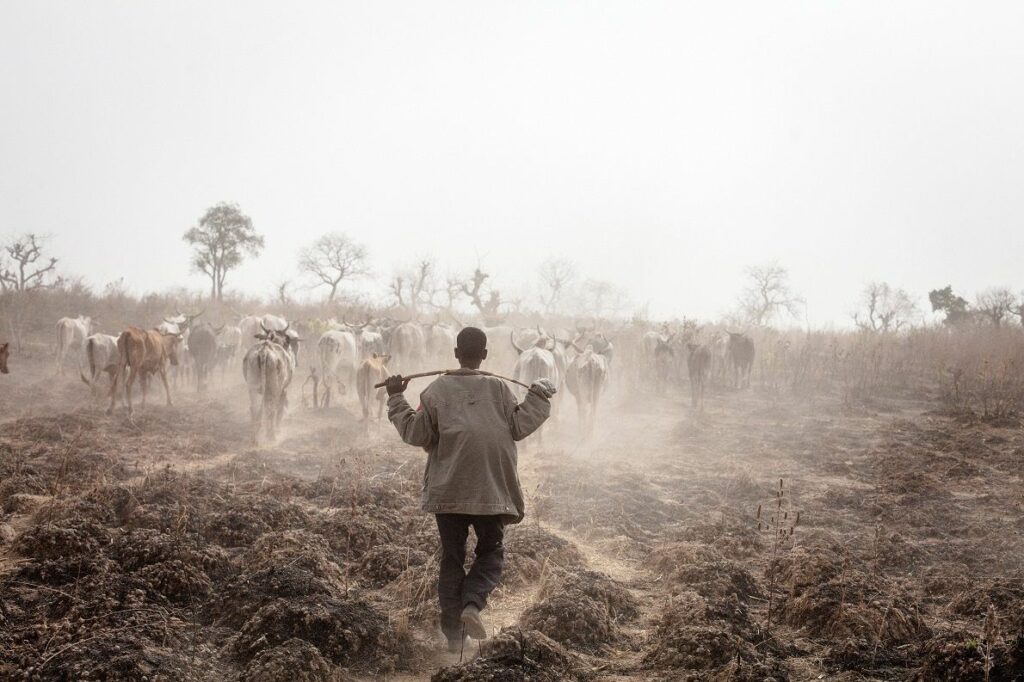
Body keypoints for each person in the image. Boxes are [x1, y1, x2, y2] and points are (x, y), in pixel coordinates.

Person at [385, 326, 556, 652]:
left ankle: (453, 638)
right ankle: (472, 605)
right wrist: (539, 396)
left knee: (451, 558)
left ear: (455, 354)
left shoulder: (435, 391)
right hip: (491, 491)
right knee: (490, 553)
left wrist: (395, 396)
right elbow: (520, 426)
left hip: (449, 492)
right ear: (485, 355)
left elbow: (416, 433)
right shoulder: (500, 389)